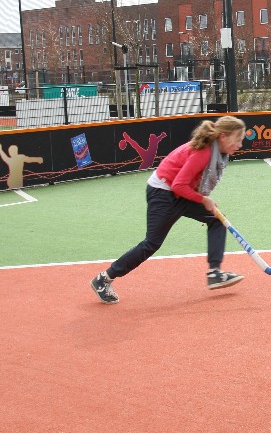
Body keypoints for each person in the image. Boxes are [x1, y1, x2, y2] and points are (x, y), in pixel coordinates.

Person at [91, 116, 247, 304]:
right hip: (162, 193)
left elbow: (186, 184)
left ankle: (215, 273)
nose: (240, 145)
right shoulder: (204, 153)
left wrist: (202, 202)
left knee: (216, 219)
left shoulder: (217, 152)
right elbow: (178, 185)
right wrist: (203, 200)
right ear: (223, 137)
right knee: (151, 244)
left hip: (178, 192)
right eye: (237, 139)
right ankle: (103, 279)